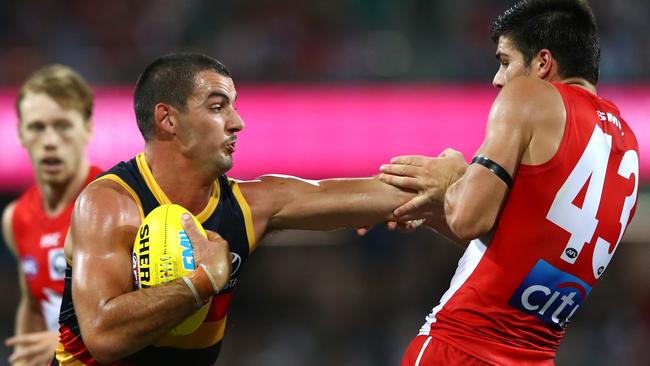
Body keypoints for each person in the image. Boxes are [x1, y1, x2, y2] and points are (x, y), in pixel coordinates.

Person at [52, 53, 418, 365]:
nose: (237, 122)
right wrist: (201, 282)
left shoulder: (247, 205)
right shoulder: (109, 204)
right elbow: (103, 336)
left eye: (234, 106)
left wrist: (445, 180)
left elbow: (373, 193)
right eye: (217, 107)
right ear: (168, 119)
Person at [378, 0, 640, 365]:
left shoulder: (528, 95)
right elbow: (520, 248)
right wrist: (436, 207)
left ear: (543, 63)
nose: (497, 79)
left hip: (459, 347)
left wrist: (453, 177)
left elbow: (469, 220)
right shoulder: (627, 143)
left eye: (504, 62)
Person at [1, 65, 102, 366]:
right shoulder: (16, 218)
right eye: (36, 127)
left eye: (63, 126)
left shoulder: (116, 202)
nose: (49, 141)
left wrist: (62, 341)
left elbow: (142, 311)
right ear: (20, 133)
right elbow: (33, 304)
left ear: (87, 128)